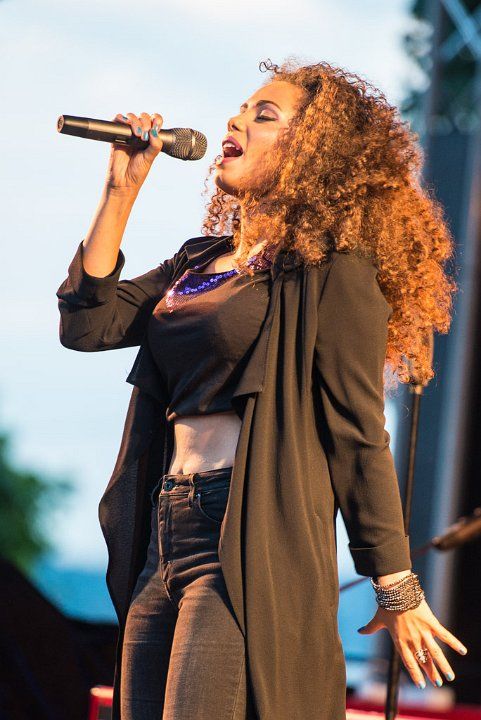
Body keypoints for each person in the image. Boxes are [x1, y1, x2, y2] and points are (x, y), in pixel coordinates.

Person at [56, 58, 468, 720]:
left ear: (313, 152)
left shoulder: (330, 271)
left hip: (247, 530)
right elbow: (86, 325)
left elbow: (357, 432)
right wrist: (120, 190)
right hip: (166, 523)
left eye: (263, 115)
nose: (235, 120)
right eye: (240, 109)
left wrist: (394, 584)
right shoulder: (196, 260)